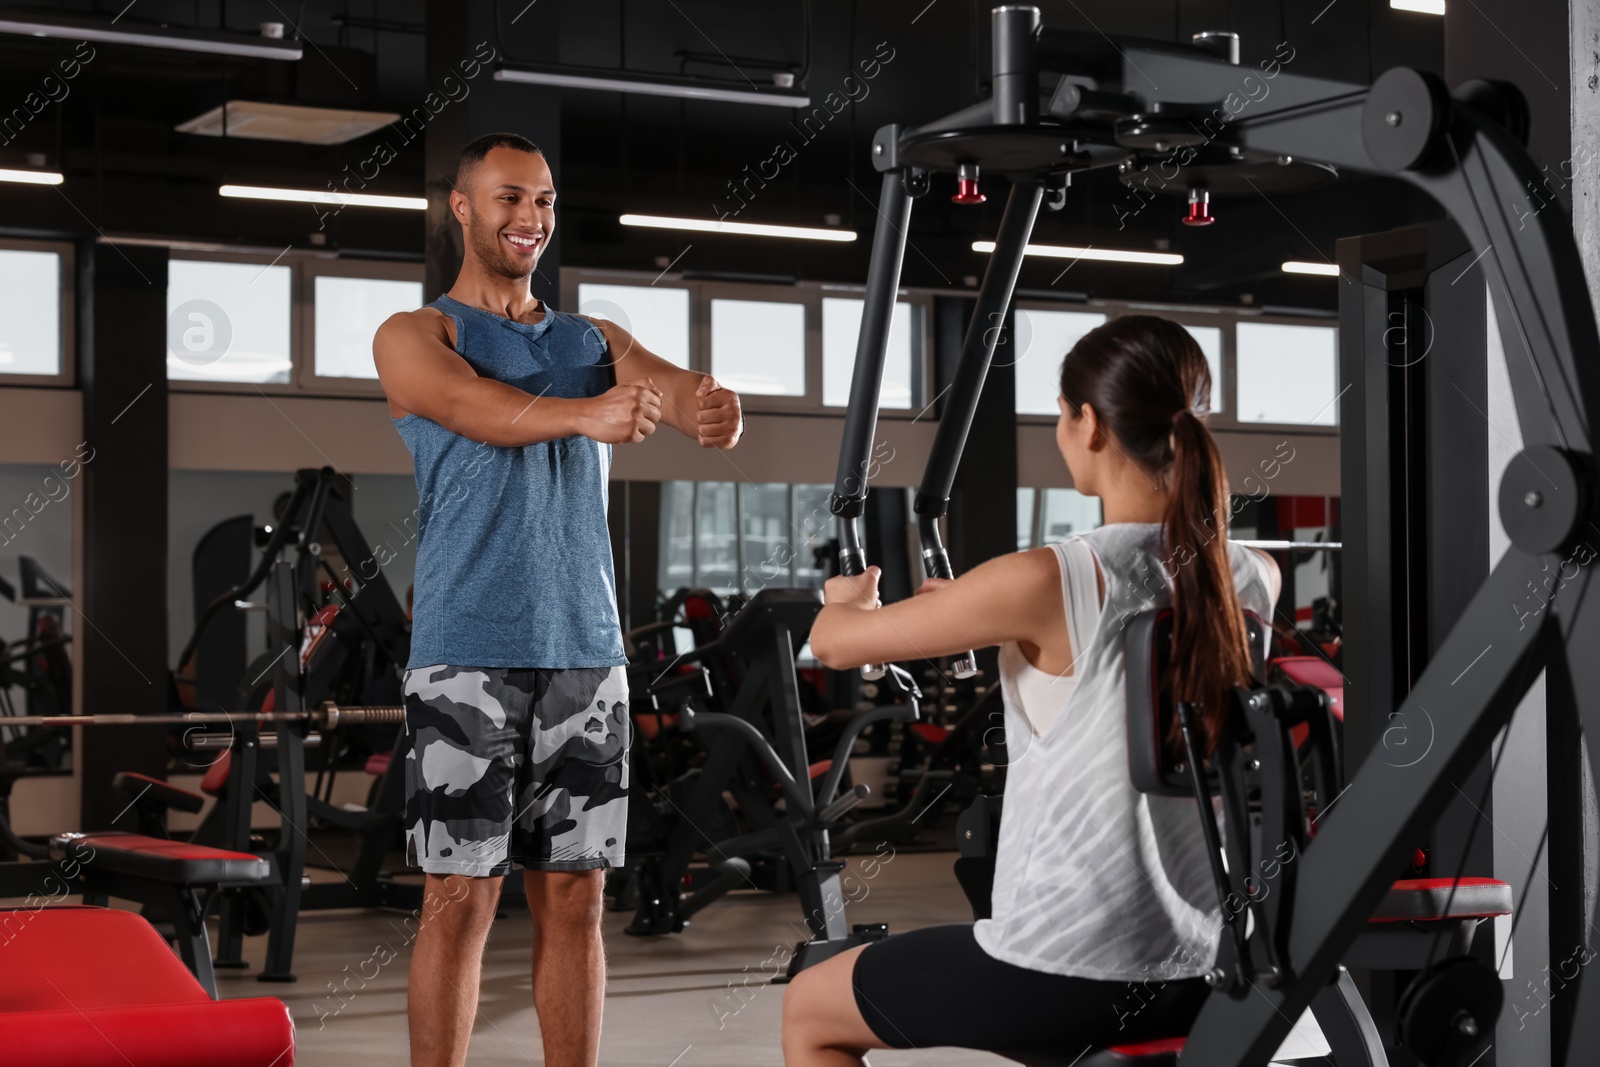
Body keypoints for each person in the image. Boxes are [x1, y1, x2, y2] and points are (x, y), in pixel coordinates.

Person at [782, 316, 1281, 1065]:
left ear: (1088, 424)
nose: (1058, 428)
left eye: (1059, 412)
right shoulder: (1252, 576)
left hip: (1068, 967)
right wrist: (975, 605)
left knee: (810, 1005)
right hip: (1209, 960)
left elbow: (833, 641)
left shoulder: (1050, 577)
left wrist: (847, 597)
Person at [372, 131, 743, 1067]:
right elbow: (472, 409)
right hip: (467, 653)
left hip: (589, 651)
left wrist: (714, 406)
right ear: (463, 208)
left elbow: (678, 392)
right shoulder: (420, 335)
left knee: (577, 899)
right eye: (508, 199)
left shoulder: (594, 341)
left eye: (541, 200)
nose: (529, 218)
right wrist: (591, 413)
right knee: (462, 898)